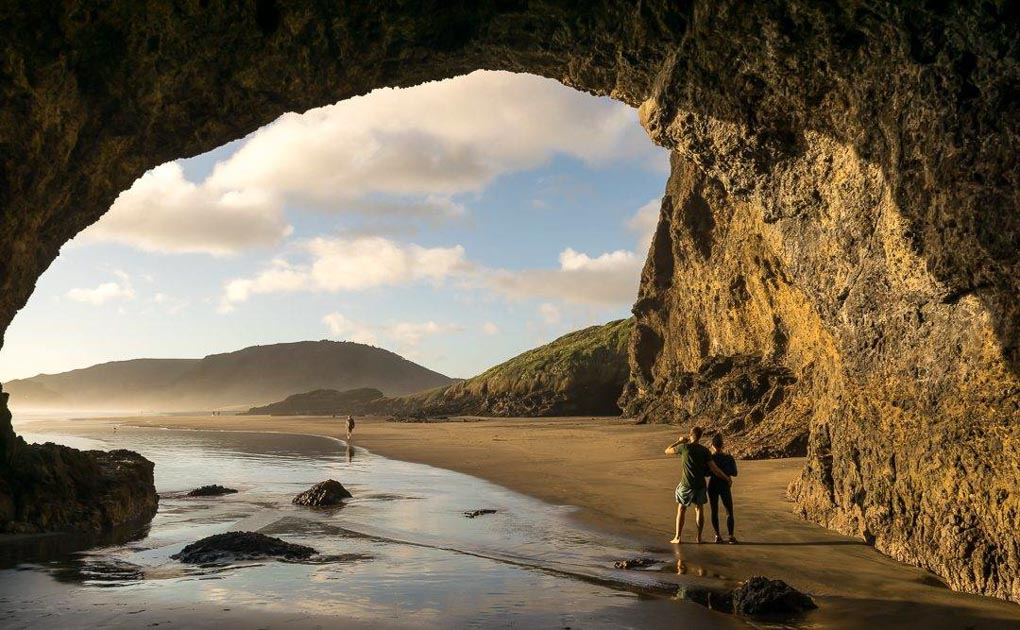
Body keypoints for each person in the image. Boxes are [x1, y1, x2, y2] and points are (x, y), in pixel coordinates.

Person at [664, 426, 732, 544]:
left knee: (681, 509)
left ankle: (678, 537)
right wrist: (726, 478)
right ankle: (699, 537)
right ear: (700, 437)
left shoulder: (684, 447)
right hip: (700, 484)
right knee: (699, 509)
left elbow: (667, 450)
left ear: (691, 435)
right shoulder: (705, 451)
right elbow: (715, 469)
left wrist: (679, 441)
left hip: (686, 484)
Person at [708, 433, 738, 544]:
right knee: (729, 511)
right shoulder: (729, 458)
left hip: (713, 485)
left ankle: (717, 535)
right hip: (724, 485)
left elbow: (706, 473)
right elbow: (735, 473)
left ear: (712, 446)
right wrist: (726, 474)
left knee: (714, 510)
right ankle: (731, 536)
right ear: (723, 445)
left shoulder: (710, 459)